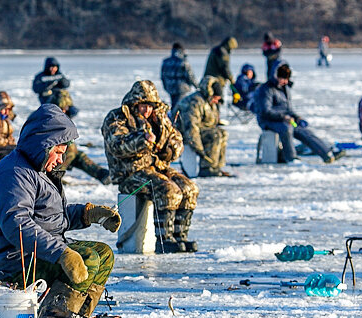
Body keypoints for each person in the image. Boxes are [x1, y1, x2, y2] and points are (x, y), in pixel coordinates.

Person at [0, 103, 120, 318]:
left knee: (102, 252)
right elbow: (17, 225)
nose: (60, 159)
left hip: (37, 255)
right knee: (86, 258)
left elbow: (53, 218)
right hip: (15, 263)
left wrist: (91, 214)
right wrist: (62, 254)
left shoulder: (40, 170)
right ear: (42, 145)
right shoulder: (14, 173)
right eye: (57, 152)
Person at [102, 80, 198, 252]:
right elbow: (116, 145)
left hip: (157, 168)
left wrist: (170, 150)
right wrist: (142, 140)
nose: (146, 110)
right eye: (142, 105)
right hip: (130, 173)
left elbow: (176, 139)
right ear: (134, 103)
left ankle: (180, 236)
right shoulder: (118, 117)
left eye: (150, 106)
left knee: (190, 188)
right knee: (168, 190)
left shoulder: (159, 118)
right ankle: (164, 239)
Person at [254, 60, 343, 163]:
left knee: (304, 131)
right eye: (283, 78)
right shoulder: (266, 89)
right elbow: (265, 111)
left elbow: (289, 109)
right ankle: (291, 158)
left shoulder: (284, 89)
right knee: (286, 128)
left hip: (285, 120)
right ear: (275, 76)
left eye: (287, 79)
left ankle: (327, 154)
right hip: (268, 121)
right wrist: (283, 117)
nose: (285, 82)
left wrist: (297, 118)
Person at [47, 90, 109, 183]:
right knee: (71, 152)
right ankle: (54, 177)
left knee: (78, 156)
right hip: (53, 154)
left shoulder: (62, 117)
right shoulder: (50, 119)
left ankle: (101, 173)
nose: (64, 110)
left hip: (66, 151)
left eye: (66, 108)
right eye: (62, 108)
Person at [176, 77, 231, 177]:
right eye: (215, 98)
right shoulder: (195, 102)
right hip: (186, 133)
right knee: (215, 135)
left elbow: (210, 122)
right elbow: (191, 126)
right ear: (210, 94)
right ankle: (207, 167)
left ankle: (216, 166)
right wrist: (199, 149)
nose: (216, 102)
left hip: (200, 131)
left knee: (223, 133)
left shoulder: (208, 101)